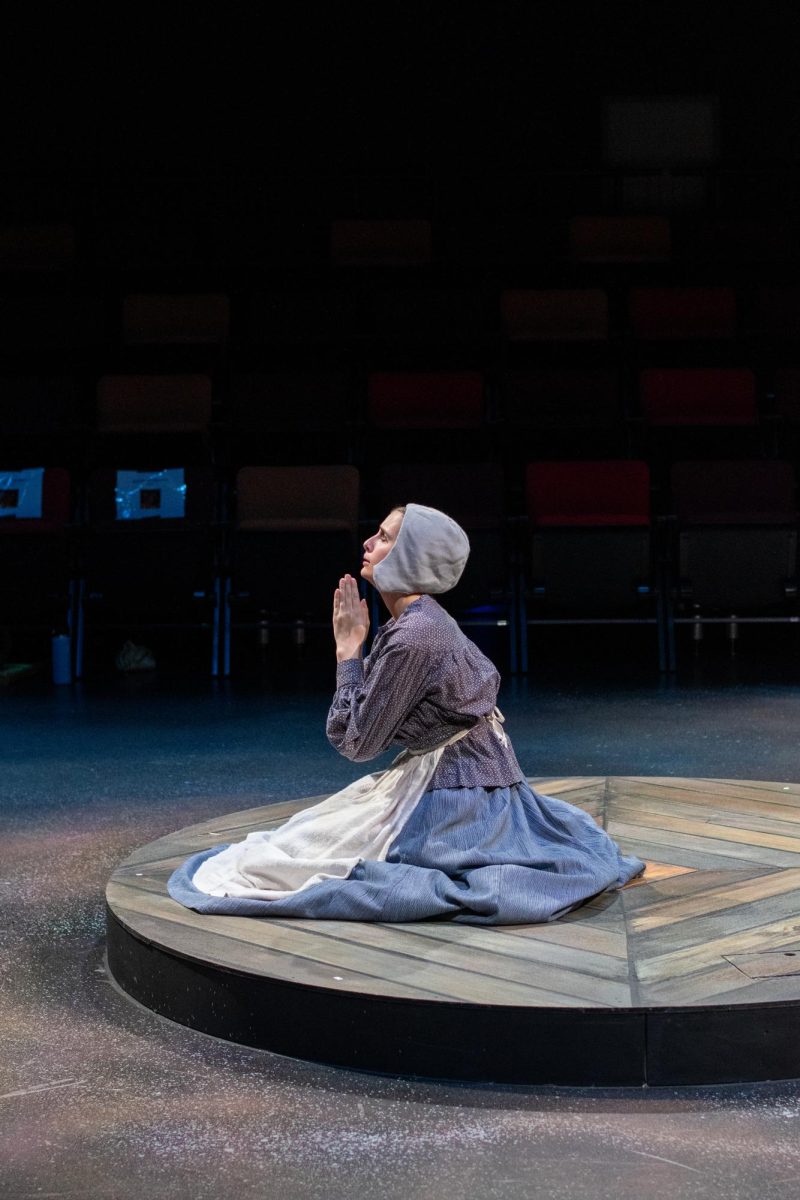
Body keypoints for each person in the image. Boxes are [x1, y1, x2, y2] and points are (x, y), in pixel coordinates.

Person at [168, 503, 645, 923]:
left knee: (280, 865)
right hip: (464, 775)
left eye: (385, 537)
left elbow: (356, 743)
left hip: (457, 796)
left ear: (411, 555)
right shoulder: (419, 621)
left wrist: (347, 654)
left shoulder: (415, 636)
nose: (368, 542)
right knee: (297, 842)